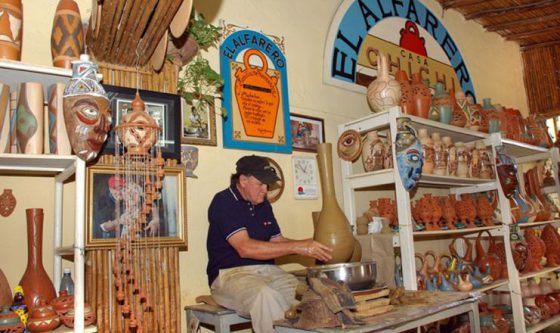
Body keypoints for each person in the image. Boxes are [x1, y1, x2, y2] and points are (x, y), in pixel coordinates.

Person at [207, 155, 332, 333]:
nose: (265, 189)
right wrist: (299, 246)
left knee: (312, 295)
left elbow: (278, 241)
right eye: (261, 184)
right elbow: (245, 248)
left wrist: (310, 246)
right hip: (230, 276)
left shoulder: (263, 205)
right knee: (265, 297)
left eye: (268, 184)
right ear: (243, 180)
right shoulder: (223, 202)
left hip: (269, 273)